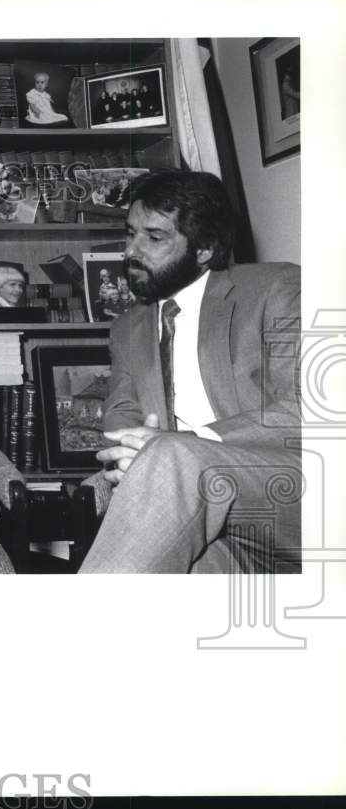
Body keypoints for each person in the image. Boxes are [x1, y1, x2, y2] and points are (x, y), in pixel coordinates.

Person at [79, 170, 301, 573]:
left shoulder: (275, 289)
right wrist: (133, 451)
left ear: (203, 249)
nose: (131, 251)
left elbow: (312, 409)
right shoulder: (127, 327)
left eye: (154, 237)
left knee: (173, 458)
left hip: (290, 496)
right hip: (206, 517)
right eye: (130, 233)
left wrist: (189, 443)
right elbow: (122, 413)